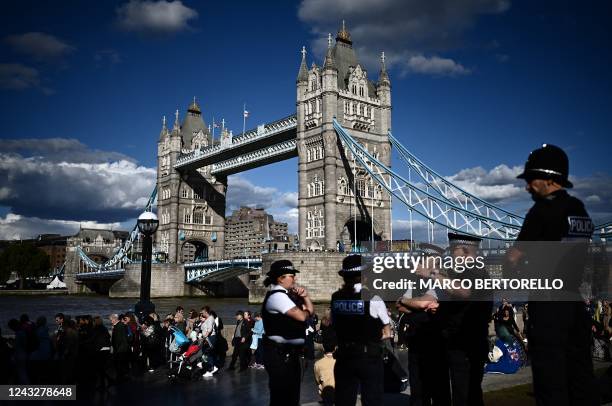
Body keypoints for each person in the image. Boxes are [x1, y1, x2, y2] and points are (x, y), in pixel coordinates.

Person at [507, 143, 598, 406]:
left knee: (550, 385)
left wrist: (516, 269)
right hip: (574, 303)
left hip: (548, 308)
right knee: (581, 379)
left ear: (549, 179)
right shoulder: (579, 208)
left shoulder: (541, 212)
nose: (527, 187)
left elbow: (513, 258)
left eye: (531, 180)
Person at [331, 254, 391, 406]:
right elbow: (387, 331)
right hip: (368, 357)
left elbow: (333, 322)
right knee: (372, 399)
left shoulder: (336, 297)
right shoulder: (373, 298)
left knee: (344, 399)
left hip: (344, 356)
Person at [261, 259, 314, 406]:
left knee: (291, 397)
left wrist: (305, 297)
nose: (294, 278)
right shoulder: (278, 297)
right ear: (280, 278)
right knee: (283, 398)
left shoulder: (286, 295)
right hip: (280, 356)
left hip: (289, 355)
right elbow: (303, 316)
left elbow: (309, 312)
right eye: (291, 275)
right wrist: (307, 311)